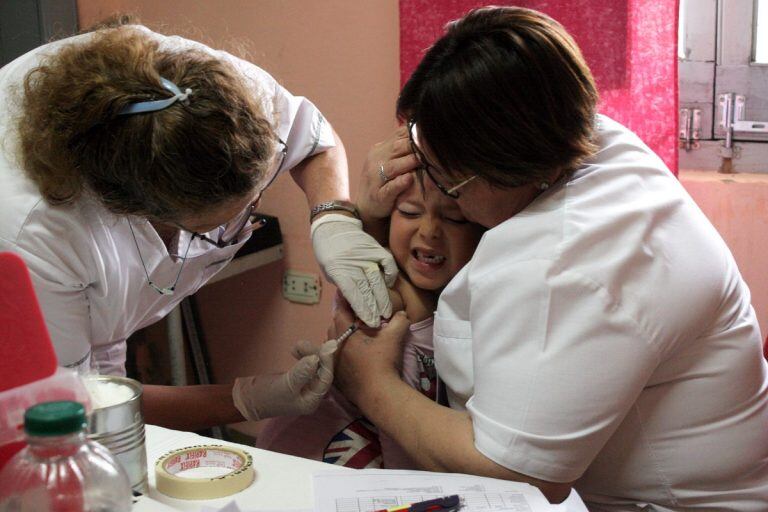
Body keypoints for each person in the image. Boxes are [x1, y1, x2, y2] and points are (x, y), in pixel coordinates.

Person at [330, 6, 768, 510]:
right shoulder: (580, 137)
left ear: (505, 171)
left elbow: (518, 474)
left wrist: (369, 383)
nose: (436, 197)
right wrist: (362, 215)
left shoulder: (567, 263)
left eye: (449, 184)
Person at [0, 17, 397, 431]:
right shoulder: (36, 232)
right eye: (211, 227)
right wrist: (251, 398)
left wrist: (331, 217)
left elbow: (313, 140)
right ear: (141, 212)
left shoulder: (218, 97)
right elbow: (81, 408)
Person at [255, 173, 483, 468]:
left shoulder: (463, 299)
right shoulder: (390, 302)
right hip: (311, 461)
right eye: (410, 212)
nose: (429, 231)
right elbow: (405, 456)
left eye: (455, 218)